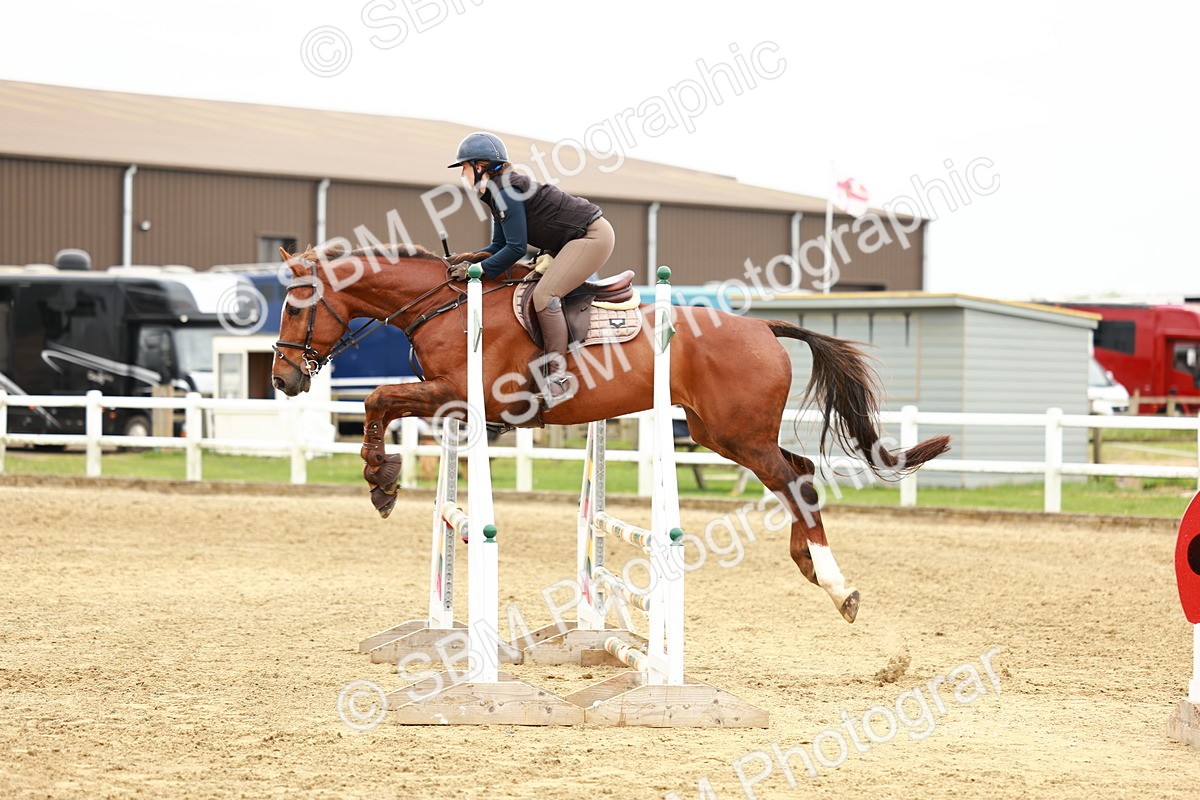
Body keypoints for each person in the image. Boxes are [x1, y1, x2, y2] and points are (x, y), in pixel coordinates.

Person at [447, 132, 615, 401]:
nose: (462, 174)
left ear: (480, 166)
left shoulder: (506, 191)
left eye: (464, 167)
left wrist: (475, 272)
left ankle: (557, 379)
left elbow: (516, 249)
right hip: (570, 241)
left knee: (545, 296)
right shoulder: (496, 192)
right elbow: (499, 245)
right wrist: (468, 259)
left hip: (591, 236)